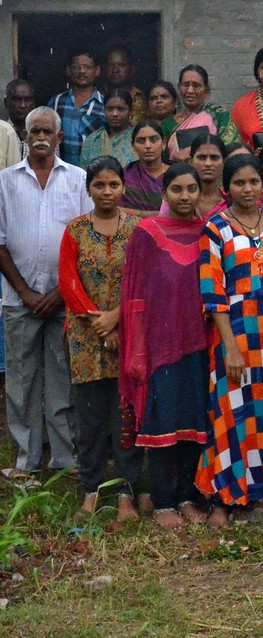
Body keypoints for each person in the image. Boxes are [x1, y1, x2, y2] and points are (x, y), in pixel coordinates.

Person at [197, 154, 263, 527]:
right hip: (235, 331)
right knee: (231, 410)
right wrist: (231, 347)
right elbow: (213, 294)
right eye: (239, 183)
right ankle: (227, 493)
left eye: (253, 181)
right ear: (228, 188)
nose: (248, 189)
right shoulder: (216, 228)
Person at [0, 107, 92, 478]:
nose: (40, 136)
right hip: (18, 299)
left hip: (63, 300)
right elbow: (0, 243)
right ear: (25, 136)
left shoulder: (78, 179)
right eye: (33, 130)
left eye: (47, 131)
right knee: (21, 383)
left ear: (58, 138)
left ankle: (65, 459)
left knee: (62, 380)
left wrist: (58, 292)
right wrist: (25, 293)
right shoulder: (5, 182)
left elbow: (85, 241)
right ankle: (26, 461)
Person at [119, 163, 211, 530]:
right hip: (159, 345)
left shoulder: (208, 231)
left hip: (199, 341)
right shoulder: (146, 232)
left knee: (193, 419)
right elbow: (135, 295)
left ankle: (187, 496)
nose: (185, 197)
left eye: (192, 189)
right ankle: (162, 501)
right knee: (162, 420)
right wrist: (138, 349)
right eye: (177, 190)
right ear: (164, 193)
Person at [59, 156, 143, 519]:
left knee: (126, 416)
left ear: (123, 187)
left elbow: (143, 281)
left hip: (130, 335)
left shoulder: (139, 230)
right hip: (85, 338)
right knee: (90, 419)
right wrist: (99, 323)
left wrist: (117, 319)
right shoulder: (74, 231)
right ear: (88, 188)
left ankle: (126, 491)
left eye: (113, 184)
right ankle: (90, 491)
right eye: (99, 185)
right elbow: (68, 281)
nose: (107, 192)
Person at [162, 64, 239, 162]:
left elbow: (231, 149)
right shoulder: (168, 123)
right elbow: (163, 159)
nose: (190, 91)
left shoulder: (219, 116)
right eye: (185, 85)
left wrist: (193, 153)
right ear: (179, 88)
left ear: (206, 90)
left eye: (196, 86)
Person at [47, 49, 106, 165]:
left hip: (92, 174)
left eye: (87, 67)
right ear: (68, 70)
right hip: (60, 172)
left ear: (97, 71)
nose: (81, 71)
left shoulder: (104, 104)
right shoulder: (57, 102)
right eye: (76, 67)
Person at [121, 120, 169, 216]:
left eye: (153, 139)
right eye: (141, 141)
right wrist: (152, 215)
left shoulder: (177, 174)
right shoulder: (125, 175)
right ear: (133, 146)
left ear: (163, 143)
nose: (148, 146)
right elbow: (116, 210)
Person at [80, 89, 136, 169]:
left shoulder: (138, 138)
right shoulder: (92, 140)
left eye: (121, 109)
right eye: (110, 109)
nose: (114, 114)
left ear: (131, 111)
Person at [104, 45, 148, 124]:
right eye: (110, 65)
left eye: (121, 65)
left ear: (131, 69)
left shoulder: (139, 97)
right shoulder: (98, 94)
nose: (115, 70)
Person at [3, 79, 35, 163]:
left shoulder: (44, 135)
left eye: (28, 100)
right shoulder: (2, 133)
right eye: (17, 99)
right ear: (6, 103)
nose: (23, 105)